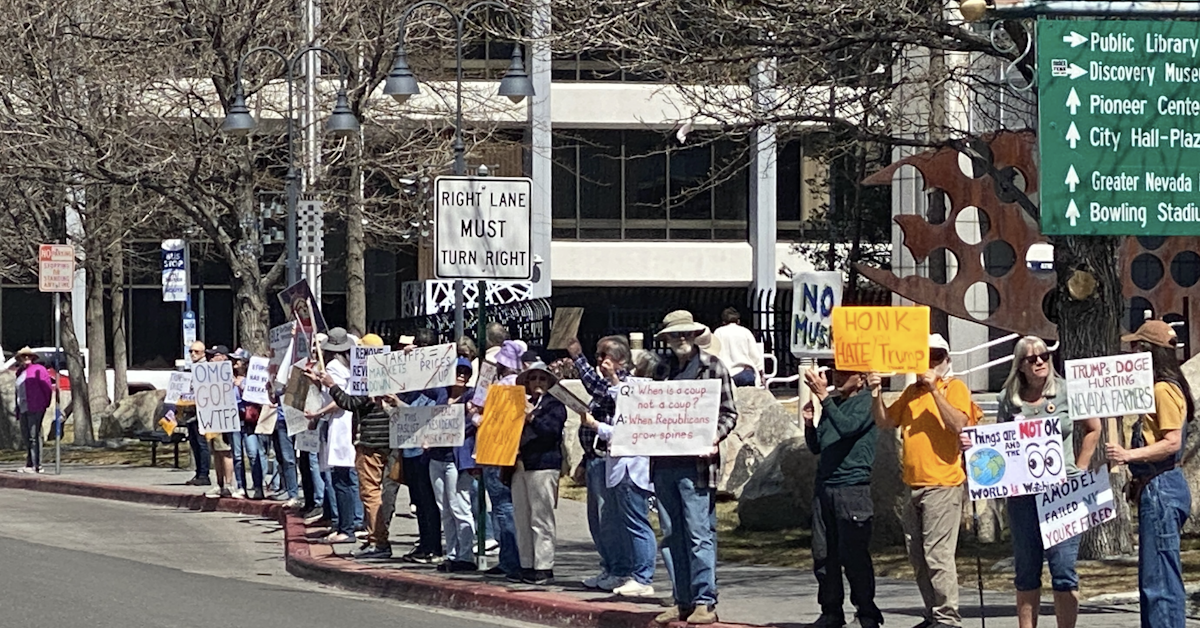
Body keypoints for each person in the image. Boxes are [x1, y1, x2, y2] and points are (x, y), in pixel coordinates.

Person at [870, 333, 981, 628]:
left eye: (936, 357)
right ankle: (933, 612)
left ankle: (948, 616)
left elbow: (959, 423)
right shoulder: (910, 393)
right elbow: (884, 421)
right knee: (917, 556)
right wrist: (876, 392)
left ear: (946, 360)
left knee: (938, 554)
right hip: (913, 484)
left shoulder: (954, 388)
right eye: (926, 357)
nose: (930, 363)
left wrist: (934, 390)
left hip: (943, 483)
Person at [991, 336, 1100, 628]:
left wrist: (1080, 467)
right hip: (1023, 496)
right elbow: (997, 444)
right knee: (1026, 570)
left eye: (1044, 356)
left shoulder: (1066, 391)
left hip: (1063, 493)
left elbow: (1093, 428)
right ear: (1020, 366)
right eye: (1032, 358)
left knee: (1063, 568)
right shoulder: (1007, 399)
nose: (1040, 361)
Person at [652, 310, 738, 626]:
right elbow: (649, 415)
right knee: (672, 534)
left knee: (699, 533)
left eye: (685, 334)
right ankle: (682, 599)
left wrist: (714, 437)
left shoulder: (713, 368)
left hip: (698, 466)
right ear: (667, 339)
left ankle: (705, 601)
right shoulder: (661, 371)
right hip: (663, 464)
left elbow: (729, 413)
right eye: (675, 335)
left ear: (694, 336)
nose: (681, 340)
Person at [1106, 320, 1192, 628]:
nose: (1130, 351)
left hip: (1161, 488)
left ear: (1148, 352)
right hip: (1159, 488)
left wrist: (1128, 455)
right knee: (1155, 576)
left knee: (1160, 582)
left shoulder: (1162, 389)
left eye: (1136, 346)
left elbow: (1171, 442)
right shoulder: (1161, 387)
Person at [802, 363, 883, 628]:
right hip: (825, 486)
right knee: (824, 554)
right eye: (836, 371)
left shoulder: (865, 403)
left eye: (845, 373)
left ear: (860, 379)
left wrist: (824, 398)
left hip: (852, 489)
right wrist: (809, 425)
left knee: (854, 555)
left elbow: (848, 428)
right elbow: (818, 447)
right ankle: (831, 611)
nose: (837, 377)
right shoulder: (833, 404)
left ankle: (867, 611)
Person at [316, 345, 394, 559]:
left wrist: (331, 386)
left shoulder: (370, 383)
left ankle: (378, 541)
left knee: (370, 492)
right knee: (371, 490)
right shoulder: (386, 379)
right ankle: (374, 538)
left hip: (371, 441)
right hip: (380, 440)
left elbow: (349, 403)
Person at [567, 335, 631, 592]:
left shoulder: (622, 385)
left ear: (621, 360)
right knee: (596, 518)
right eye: (599, 357)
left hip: (611, 460)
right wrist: (583, 459)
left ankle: (620, 569)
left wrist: (577, 356)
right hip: (594, 457)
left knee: (610, 518)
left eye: (606, 356)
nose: (601, 361)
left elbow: (598, 390)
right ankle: (608, 566)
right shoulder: (606, 384)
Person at [511, 359, 567, 585]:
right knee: (522, 517)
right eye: (532, 378)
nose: (537, 382)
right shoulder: (519, 404)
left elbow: (552, 432)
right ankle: (526, 564)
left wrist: (532, 417)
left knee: (541, 518)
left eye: (542, 378)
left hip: (543, 466)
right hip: (519, 465)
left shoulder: (554, 405)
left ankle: (544, 566)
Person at [306, 328, 361, 544]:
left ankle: (345, 527)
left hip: (340, 425)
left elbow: (337, 399)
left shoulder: (333, 367)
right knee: (345, 478)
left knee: (341, 479)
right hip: (347, 423)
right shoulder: (349, 366)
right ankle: (347, 524)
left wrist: (318, 414)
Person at [399, 329, 449, 563]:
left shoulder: (438, 377)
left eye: (424, 346)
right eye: (418, 344)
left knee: (429, 499)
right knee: (418, 499)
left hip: (426, 445)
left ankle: (433, 547)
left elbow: (437, 401)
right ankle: (424, 542)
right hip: (408, 441)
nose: (419, 349)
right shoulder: (410, 375)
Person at [477, 339, 524, 577]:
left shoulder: (500, 389)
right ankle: (514, 557)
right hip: (512, 453)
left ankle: (511, 559)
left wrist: (475, 417)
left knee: (503, 507)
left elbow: (489, 422)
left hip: (496, 452)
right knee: (510, 507)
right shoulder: (521, 386)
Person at [430, 358, 479, 572]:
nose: (461, 375)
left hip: (457, 461)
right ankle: (452, 554)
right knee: (445, 510)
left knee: (460, 507)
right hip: (436, 458)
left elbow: (472, 425)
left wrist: (471, 415)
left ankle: (466, 556)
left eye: (465, 372)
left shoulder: (472, 398)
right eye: (458, 371)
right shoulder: (440, 394)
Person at [204, 345, 237, 499]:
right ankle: (219, 484)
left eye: (215, 355)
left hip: (225, 417)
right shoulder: (208, 374)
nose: (211, 359)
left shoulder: (229, 374)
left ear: (224, 357)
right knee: (216, 452)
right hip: (212, 417)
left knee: (225, 451)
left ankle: (229, 484)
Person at [14, 347, 53, 474]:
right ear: (19, 359)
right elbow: (18, 392)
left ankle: (37, 465)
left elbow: (47, 387)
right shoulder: (19, 372)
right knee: (26, 436)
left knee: (34, 435)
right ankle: (29, 463)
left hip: (36, 406)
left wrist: (45, 403)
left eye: (28, 356)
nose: (26, 358)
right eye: (23, 356)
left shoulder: (39, 370)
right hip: (23, 408)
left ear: (33, 358)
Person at [711, 307, 765, 387]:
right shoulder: (745, 332)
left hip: (725, 373)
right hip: (745, 373)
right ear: (738, 321)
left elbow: (714, 353)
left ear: (723, 322)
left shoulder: (718, 332)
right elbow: (754, 355)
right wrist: (761, 374)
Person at [182, 340, 211, 486]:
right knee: (194, 443)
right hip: (190, 412)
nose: (193, 354)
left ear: (203, 353)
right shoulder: (191, 369)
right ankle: (198, 472)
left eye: (196, 351)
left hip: (202, 412)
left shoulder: (205, 368)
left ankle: (204, 474)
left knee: (202, 443)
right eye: (191, 351)